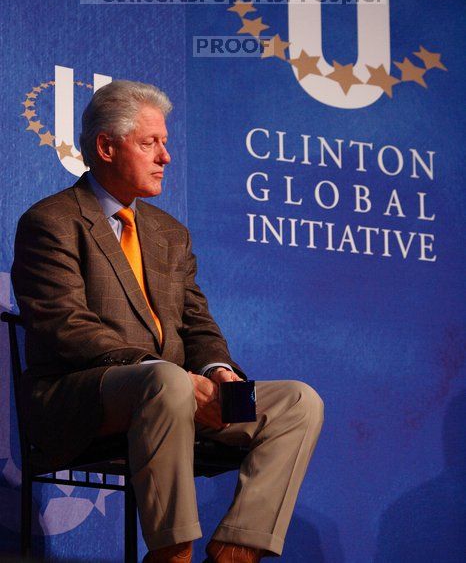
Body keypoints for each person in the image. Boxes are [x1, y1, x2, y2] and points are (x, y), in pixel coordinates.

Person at [11, 80, 324, 563]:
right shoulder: (51, 222)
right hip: (80, 397)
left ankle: (237, 549)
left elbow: (197, 325)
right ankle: (172, 551)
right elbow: (65, 327)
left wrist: (218, 373)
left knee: (297, 402)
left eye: (165, 142)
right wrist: (176, 378)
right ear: (106, 147)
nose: (166, 157)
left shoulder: (168, 234)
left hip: (175, 392)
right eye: (149, 143)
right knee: (167, 383)